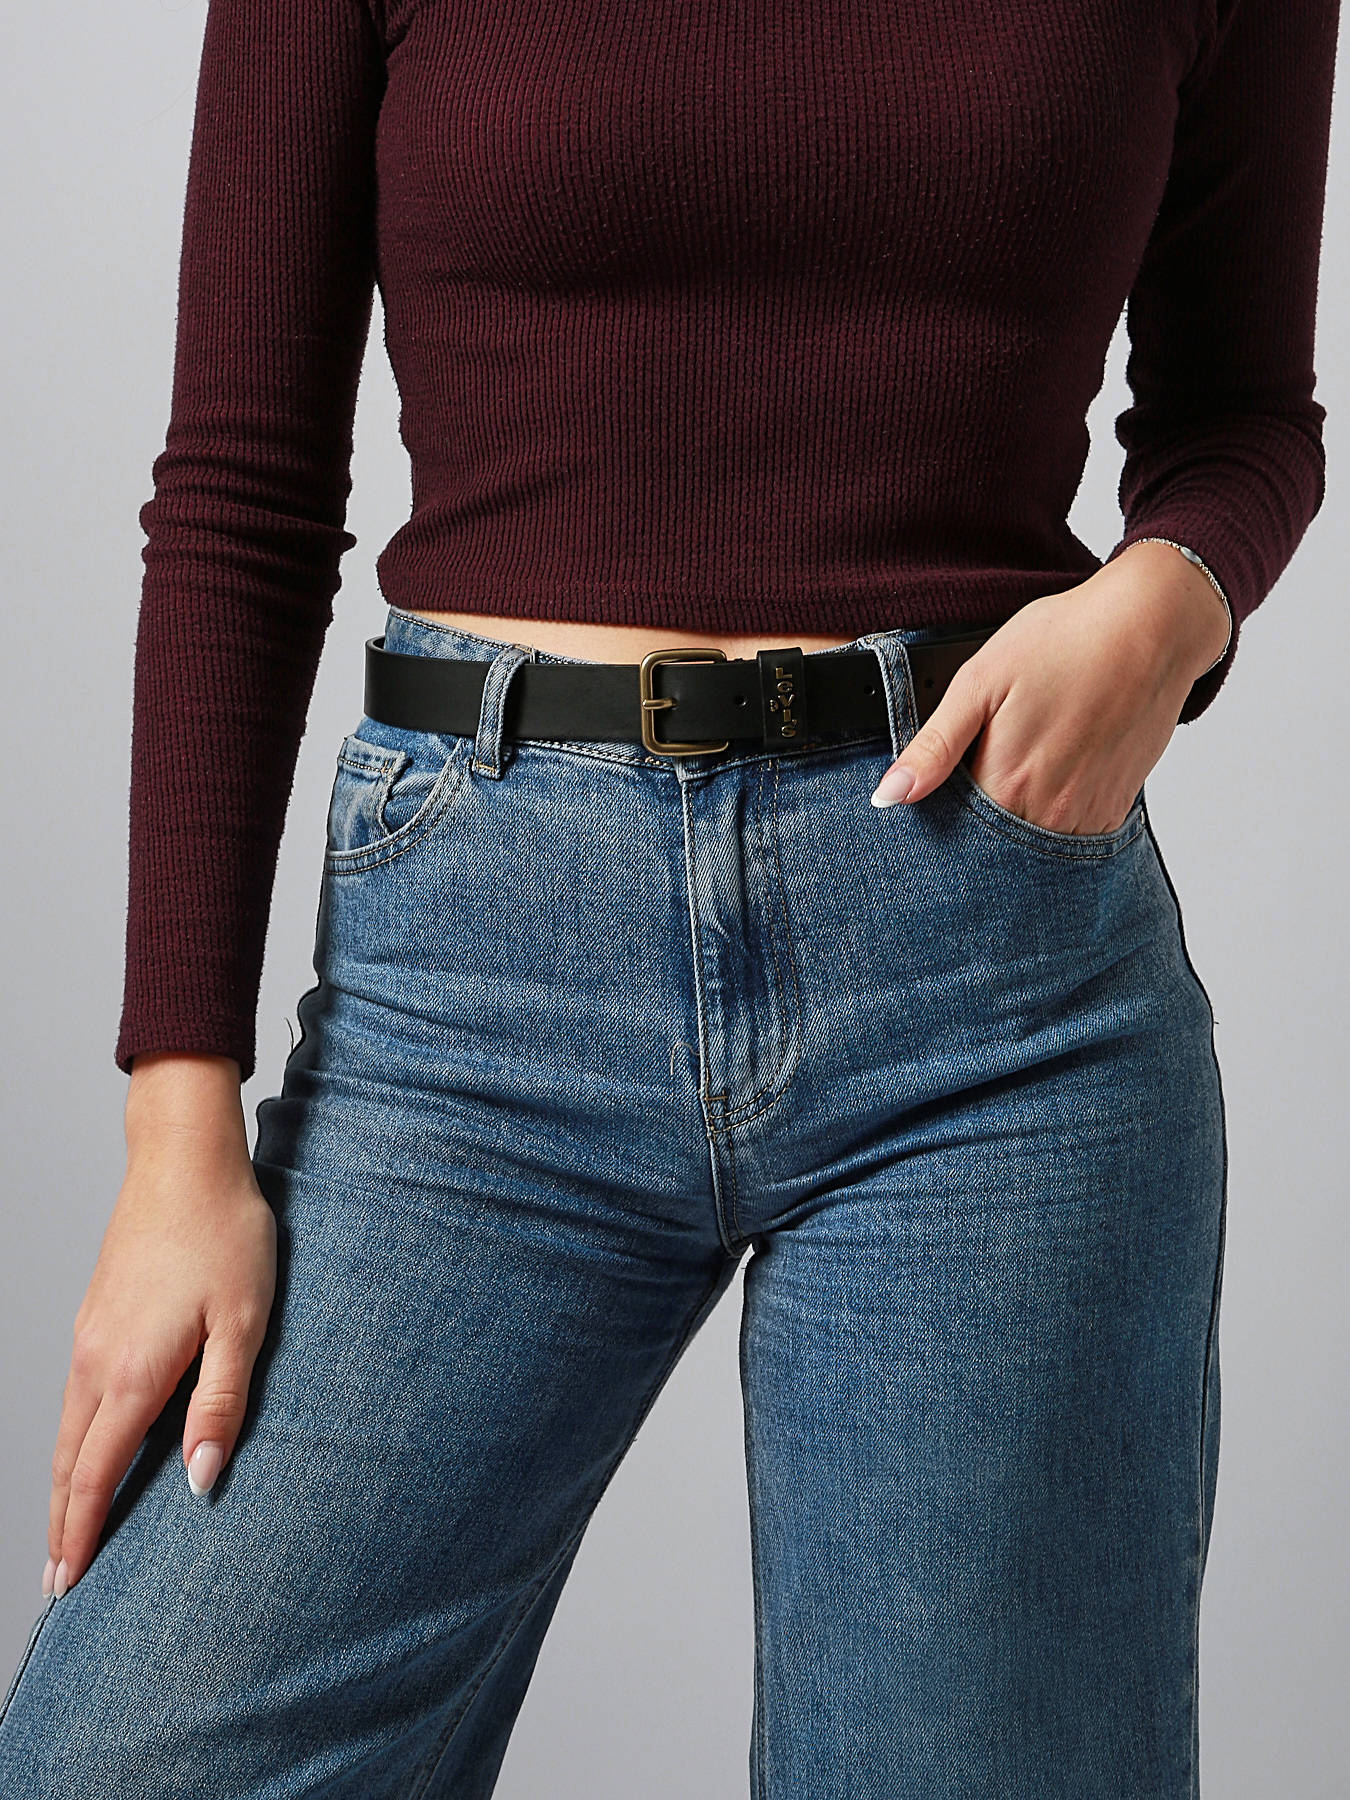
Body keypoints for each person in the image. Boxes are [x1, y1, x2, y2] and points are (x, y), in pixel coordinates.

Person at [0, 0, 1339, 1793]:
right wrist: (178, 1134)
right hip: (475, 987)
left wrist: (1174, 597)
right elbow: (242, 487)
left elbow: (1241, 420)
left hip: (987, 982)